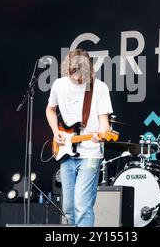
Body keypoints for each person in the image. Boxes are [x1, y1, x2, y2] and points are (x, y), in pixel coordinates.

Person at [45, 49, 113, 227]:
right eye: (74, 75)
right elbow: (50, 109)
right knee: (68, 207)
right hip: (66, 152)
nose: (78, 79)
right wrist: (55, 131)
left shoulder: (99, 87)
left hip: (90, 153)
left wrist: (102, 135)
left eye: (82, 75)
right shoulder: (59, 85)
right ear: (68, 69)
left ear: (89, 71)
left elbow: (104, 124)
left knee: (82, 205)